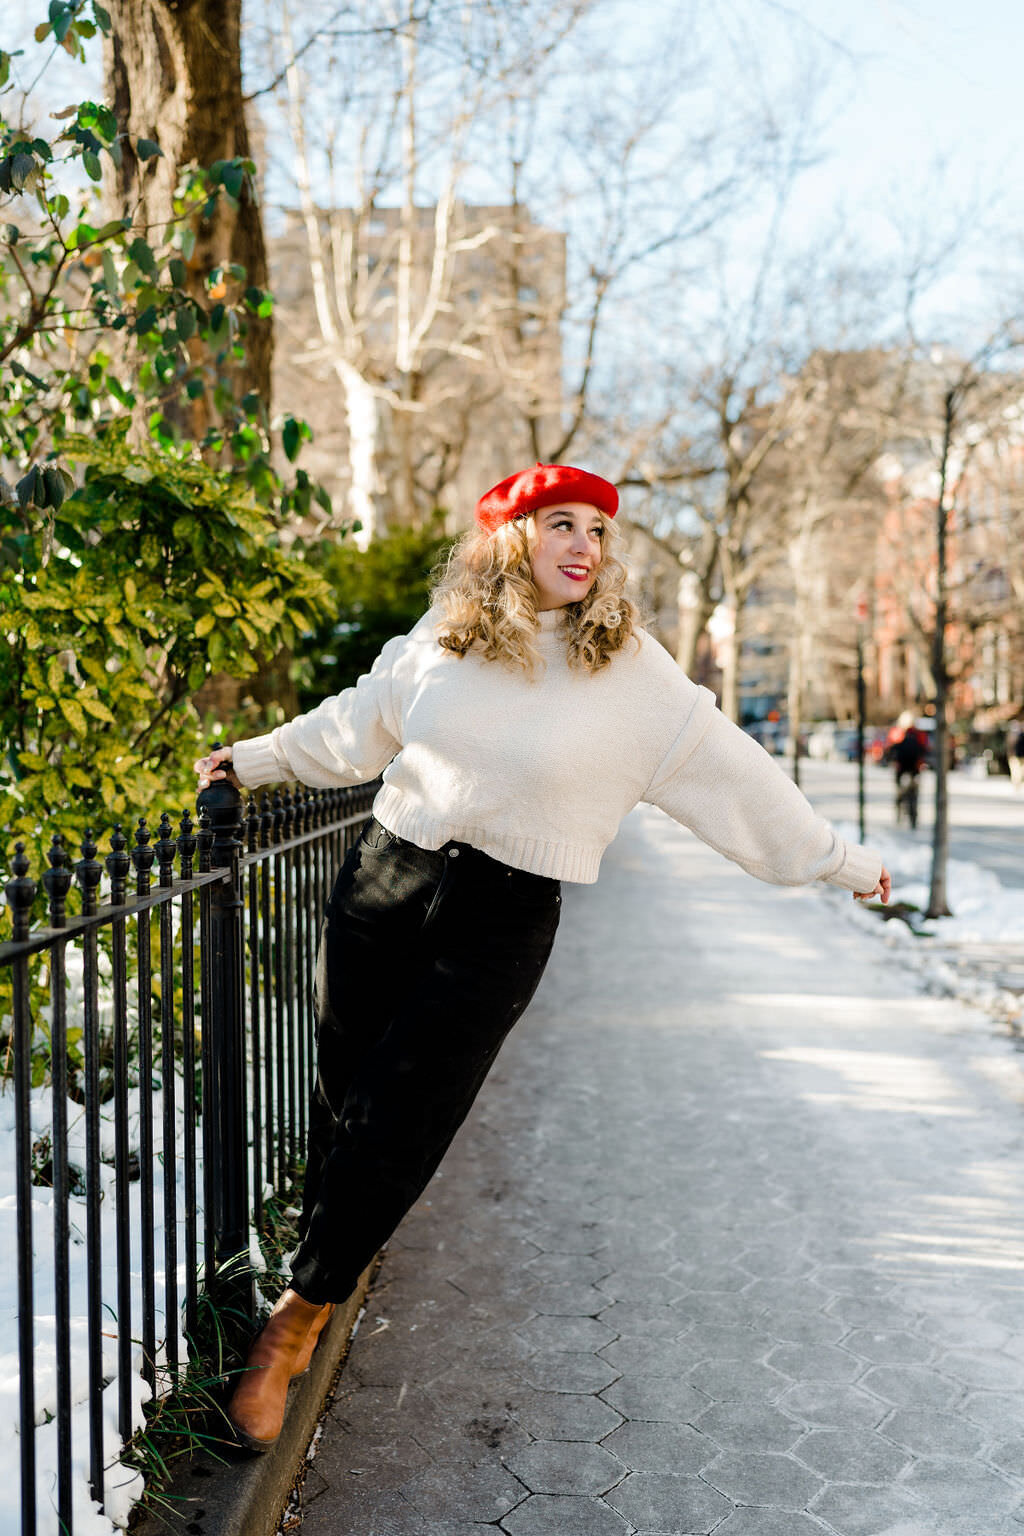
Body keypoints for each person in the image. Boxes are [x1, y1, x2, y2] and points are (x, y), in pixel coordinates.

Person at [193, 463, 891, 1452]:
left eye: (598, 531)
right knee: (346, 1095)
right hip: (382, 881)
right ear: (505, 539)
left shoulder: (636, 674)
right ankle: (324, 1265)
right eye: (559, 523)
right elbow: (353, 726)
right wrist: (250, 760)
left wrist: (840, 863)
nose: (583, 545)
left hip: (503, 917)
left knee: (405, 1115)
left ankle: (293, 1326)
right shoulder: (443, 639)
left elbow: (742, 782)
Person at [891, 711, 929, 827]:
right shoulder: (919, 736)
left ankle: (899, 811)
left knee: (900, 792)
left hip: (902, 769)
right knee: (914, 794)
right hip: (914, 770)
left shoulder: (898, 734)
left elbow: (892, 749)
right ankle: (913, 816)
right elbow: (925, 750)